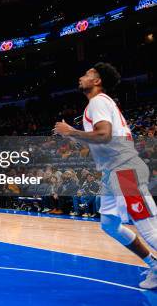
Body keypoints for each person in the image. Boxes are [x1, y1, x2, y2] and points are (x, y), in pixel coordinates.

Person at [54, 62, 157, 289]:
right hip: (113, 171)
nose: (82, 76)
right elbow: (101, 137)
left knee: (148, 227)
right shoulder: (100, 103)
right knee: (109, 224)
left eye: (87, 74)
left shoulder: (98, 102)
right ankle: (154, 265)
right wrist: (73, 135)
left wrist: (71, 131)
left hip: (124, 170)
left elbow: (104, 135)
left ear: (97, 81)